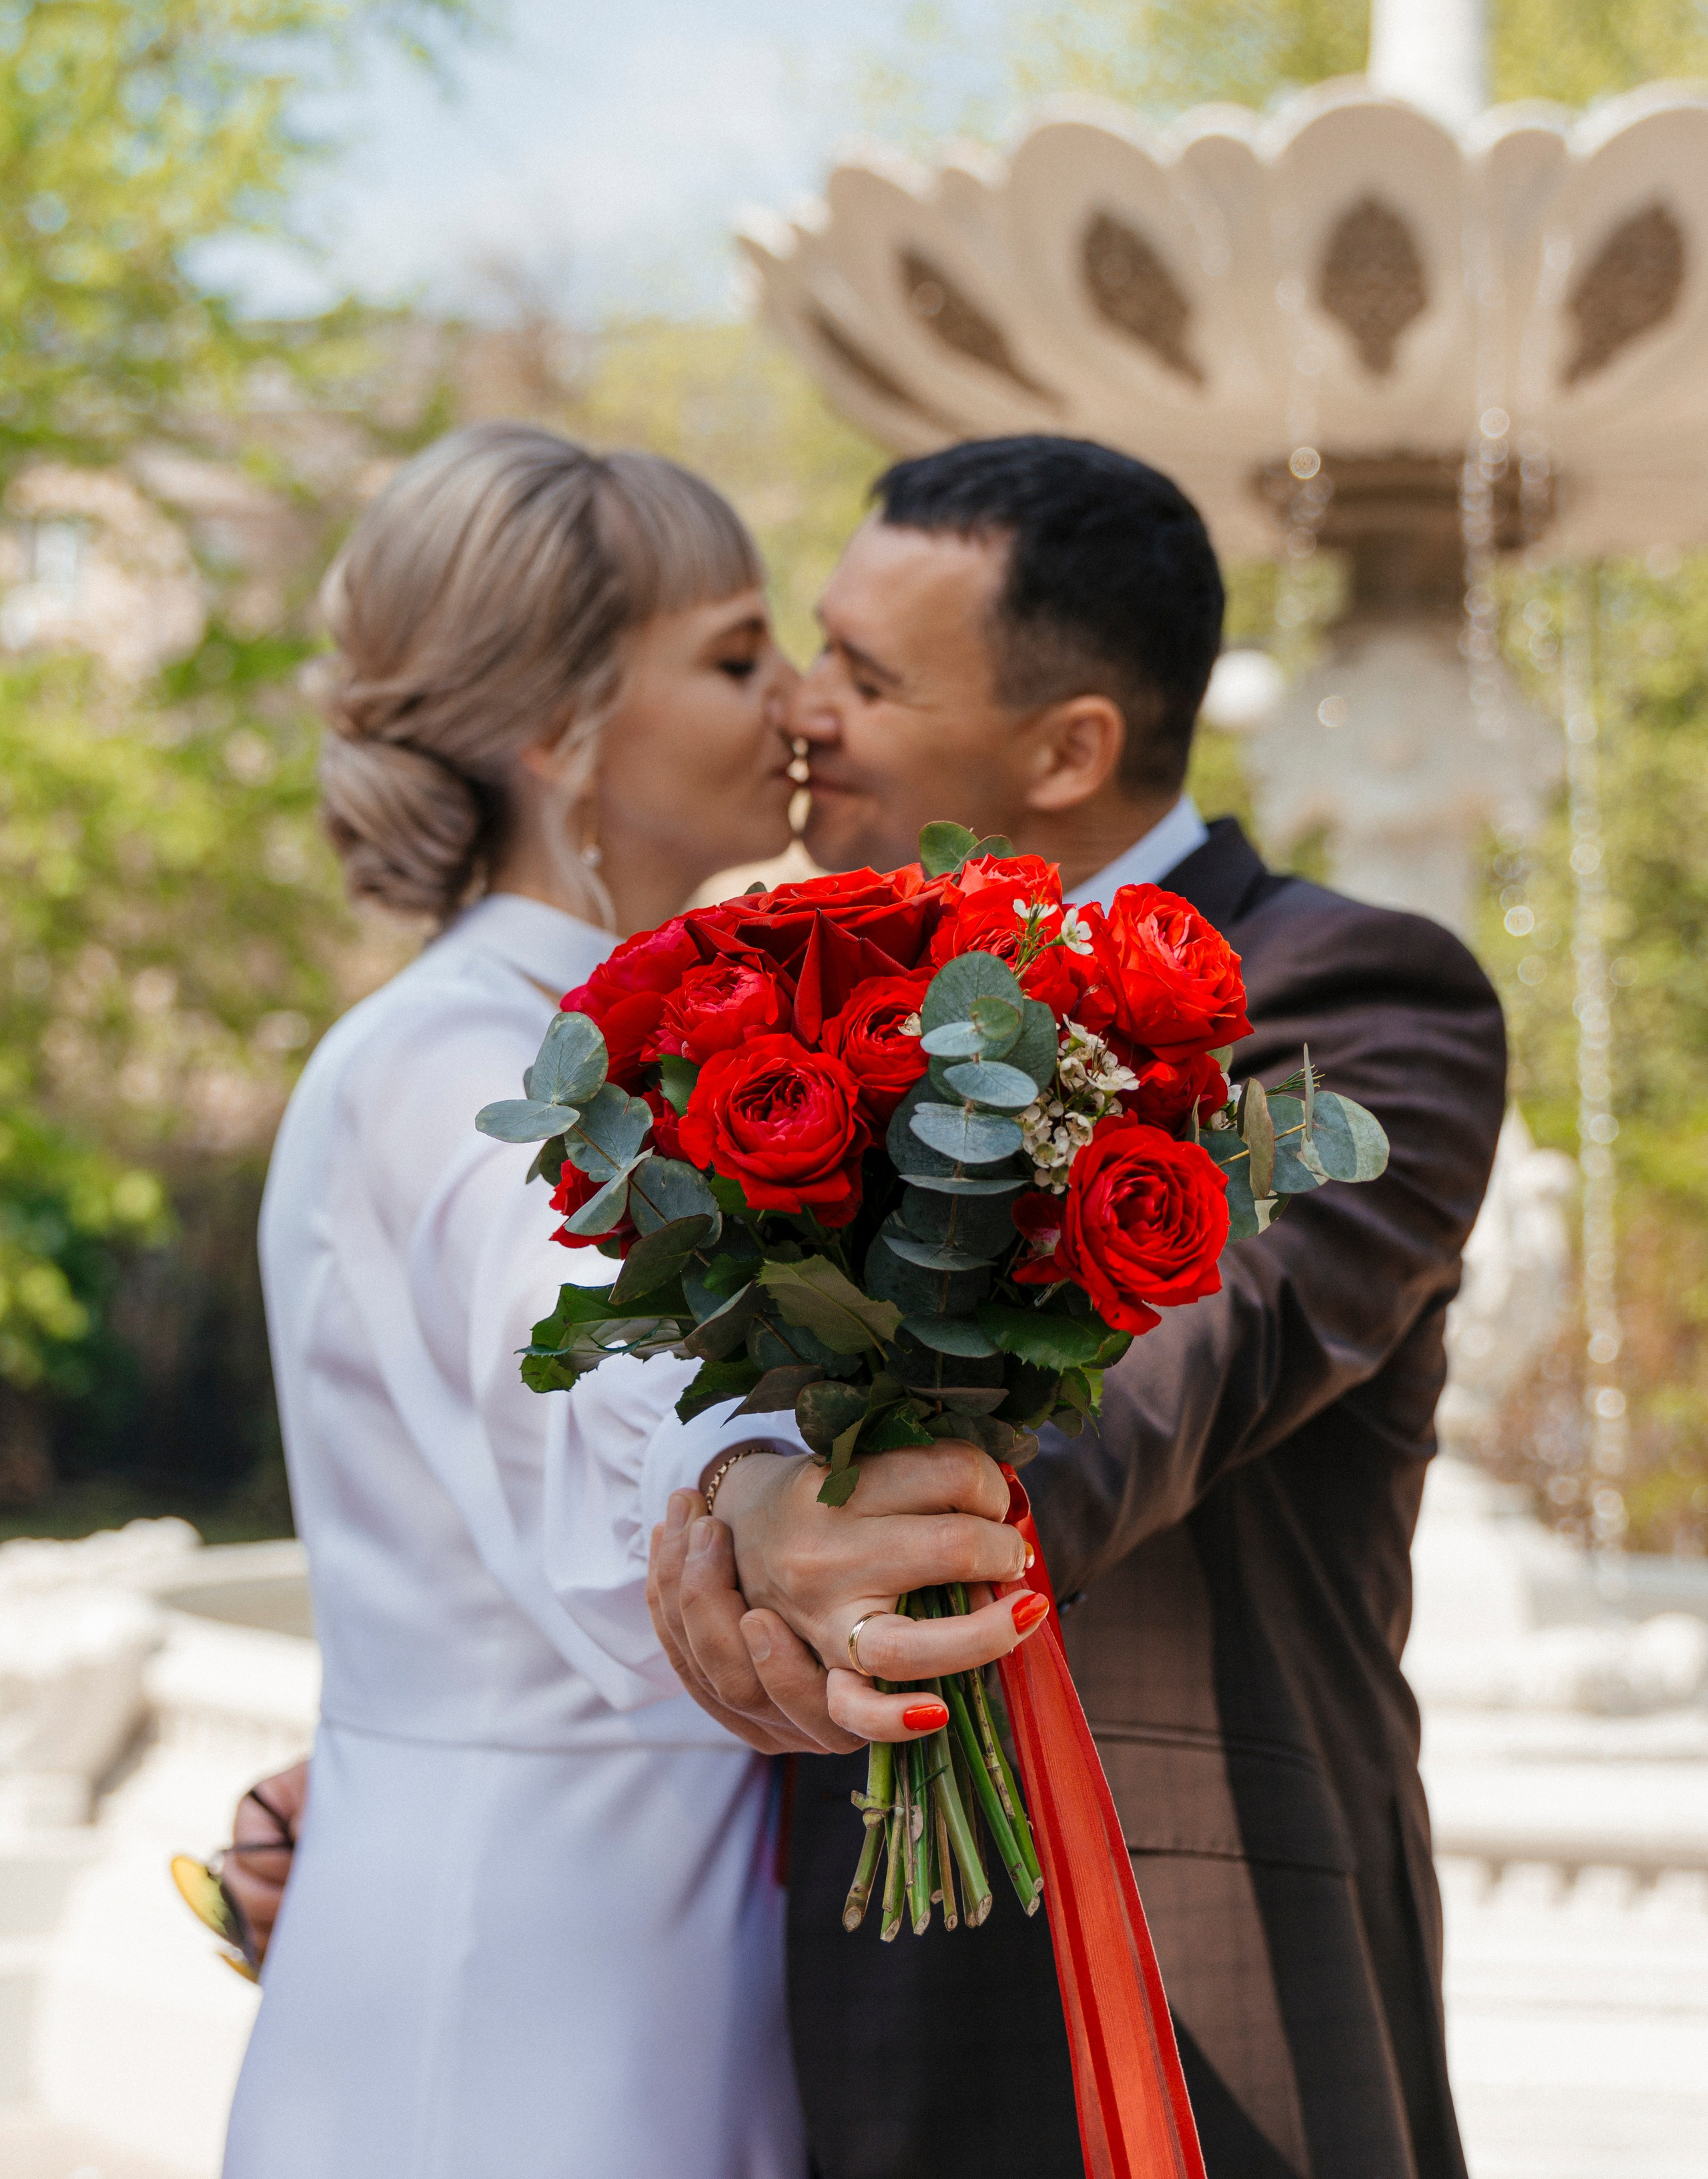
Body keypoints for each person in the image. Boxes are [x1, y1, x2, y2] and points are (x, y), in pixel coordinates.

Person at [652, 436, 1507, 2179]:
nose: (806, 711)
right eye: (813, 648)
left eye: (869, 678)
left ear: (1068, 749)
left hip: (1215, 2004)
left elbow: (1184, 1358)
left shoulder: (1357, 1003)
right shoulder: (810, 1014)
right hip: (853, 1994)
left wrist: (853, 1537)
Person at [220, 422, 1043, 2179]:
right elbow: (583, 1365)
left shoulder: (594, 1047)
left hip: (664, 1944)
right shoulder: (452, 1061)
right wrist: (763, 1495)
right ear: (557, 725)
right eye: (738, 655)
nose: (797, 706)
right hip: (513, 1989)